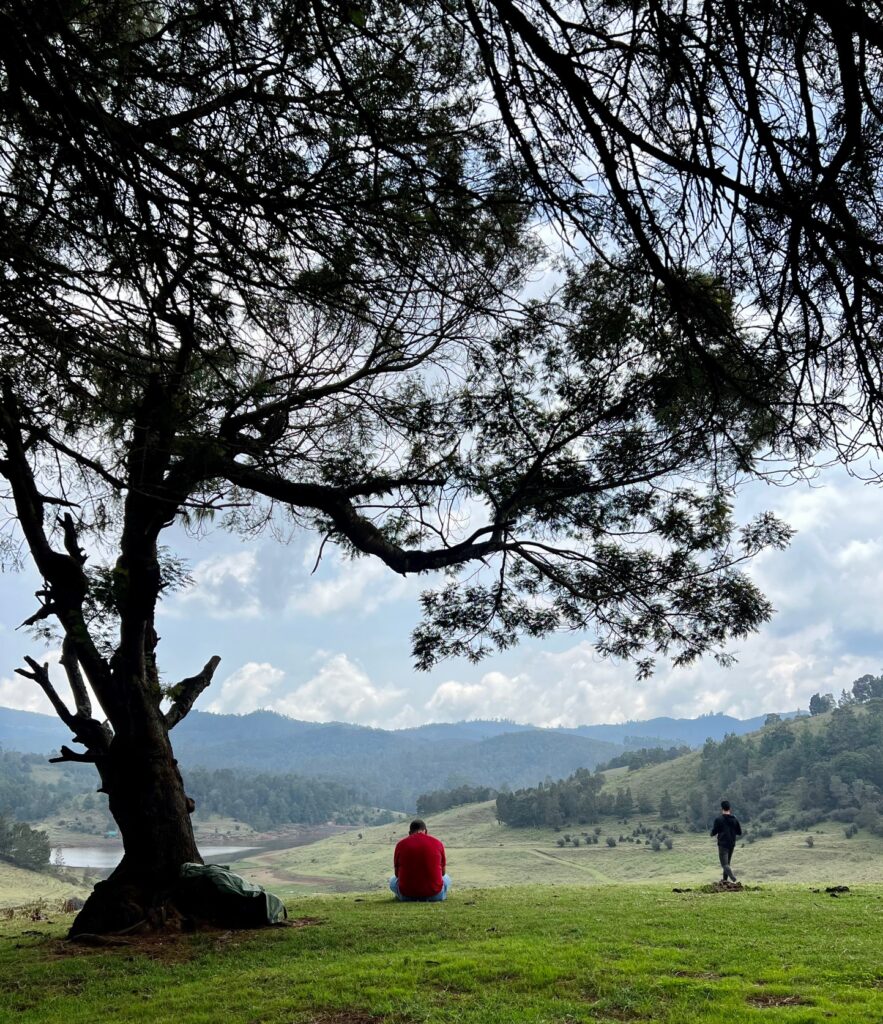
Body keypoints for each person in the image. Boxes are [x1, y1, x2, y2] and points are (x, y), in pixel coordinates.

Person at [389, 819, 451, 902]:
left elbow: (397, 875)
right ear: (426, 831)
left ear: (410, 833)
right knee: (447, 878)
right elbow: (442, 873)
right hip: (435, 895)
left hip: (407, 896)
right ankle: (441, 895)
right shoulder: (438, 843)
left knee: (392, 880)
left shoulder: (400, 844)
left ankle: (402, 896)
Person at [710, 799, 742, 882]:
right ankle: (725, 880)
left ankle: (732, 877)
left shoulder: (719, 819)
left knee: (724, 864)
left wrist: (714, 834)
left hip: (723, 844)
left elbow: (713, 832)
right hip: (732, 844)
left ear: (722, 809)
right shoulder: (735, 819)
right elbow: (739, 832)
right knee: (727, 863)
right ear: (729, 809)